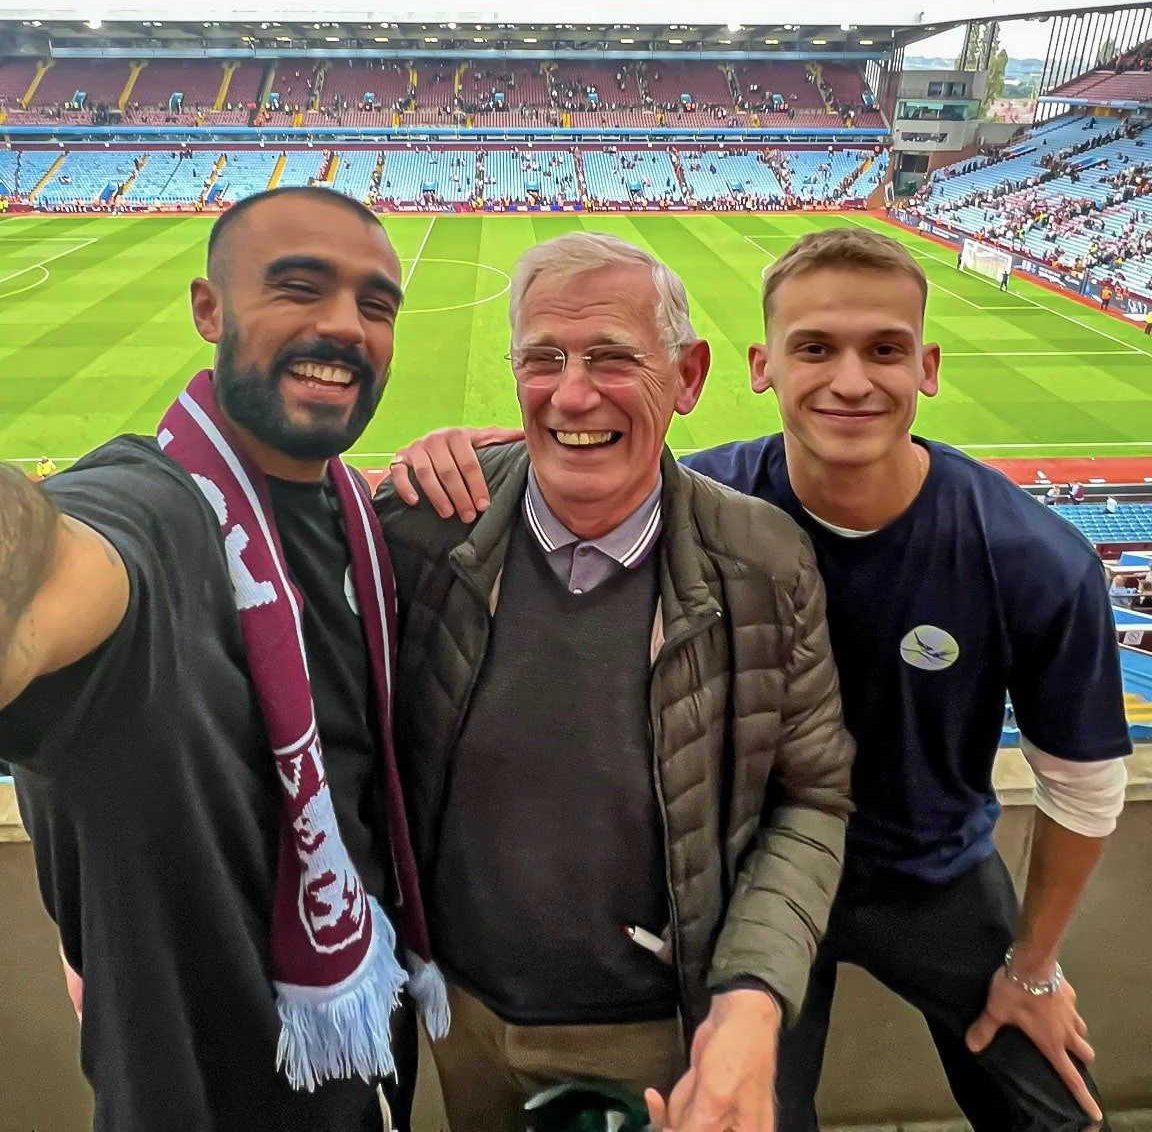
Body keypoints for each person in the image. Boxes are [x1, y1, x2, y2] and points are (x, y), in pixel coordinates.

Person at [388, 226, 1130, 1132]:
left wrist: (1036, 967)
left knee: (1057, 1108)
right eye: (815, 347)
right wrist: (486, 452)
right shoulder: (714, 502)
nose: (850, 380)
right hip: (746, 881)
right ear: (760, 365)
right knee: (755, 1115)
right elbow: (601, 450)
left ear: (928, 367)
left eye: (884, 350)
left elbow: (1085, 789)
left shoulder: (1031, 557)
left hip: (930, 873)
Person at [374, 231, 855, 1132]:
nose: (572, 393)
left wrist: (751, 997)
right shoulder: (421, 527)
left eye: (611, 358)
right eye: (542, 359)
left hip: (662, 1033)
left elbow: (813, 802)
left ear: (689, 376)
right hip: (461, 1020)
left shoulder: (763, 558)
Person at [0, 186, 448, 1132]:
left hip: (363, 1064)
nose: (344, 327)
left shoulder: (357, 516)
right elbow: (49, 561)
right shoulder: (154, 511)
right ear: (210, 309)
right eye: (298, 287)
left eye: (377, 305)